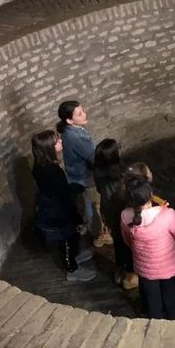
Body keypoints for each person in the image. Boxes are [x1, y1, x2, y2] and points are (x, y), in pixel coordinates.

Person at [31, 130, 96, 282]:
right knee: (67, 236)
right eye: (57, 141)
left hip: (52, 204)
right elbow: (63, 195)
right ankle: (71, 268)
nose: (61, 142)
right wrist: (77, 216)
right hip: (58, 210)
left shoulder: (40, 165)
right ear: (49, 147)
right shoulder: (52, 171)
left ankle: (75, 254)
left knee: (71, 235)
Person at [121, 178, 175, 320]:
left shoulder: (125, 216)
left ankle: (154, 324)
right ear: (151, 195)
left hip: (145, 269)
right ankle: (174, 321)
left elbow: (127, 240)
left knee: (153, 303)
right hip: (169, 267)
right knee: (172, 300)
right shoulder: (167, 214)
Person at [57, 100, 113, 248]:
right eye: (79, 114)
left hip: (76, 174)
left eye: (83, 111)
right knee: (94, 205)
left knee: (88, 202)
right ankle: (99, 234)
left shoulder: (69, 131)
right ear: (69, 120)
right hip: (85, 177)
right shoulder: (78, 138)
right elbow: (93, 159)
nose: (84, 114)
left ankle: (89, 225)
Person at [93, 139, 138, 290]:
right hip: (123, 210)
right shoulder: (122, 174)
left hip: (108, 209)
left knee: (118, 241)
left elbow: (100, 190)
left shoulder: (98, 172)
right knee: (129, 242)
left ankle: (119, 269)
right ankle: (130, 274)